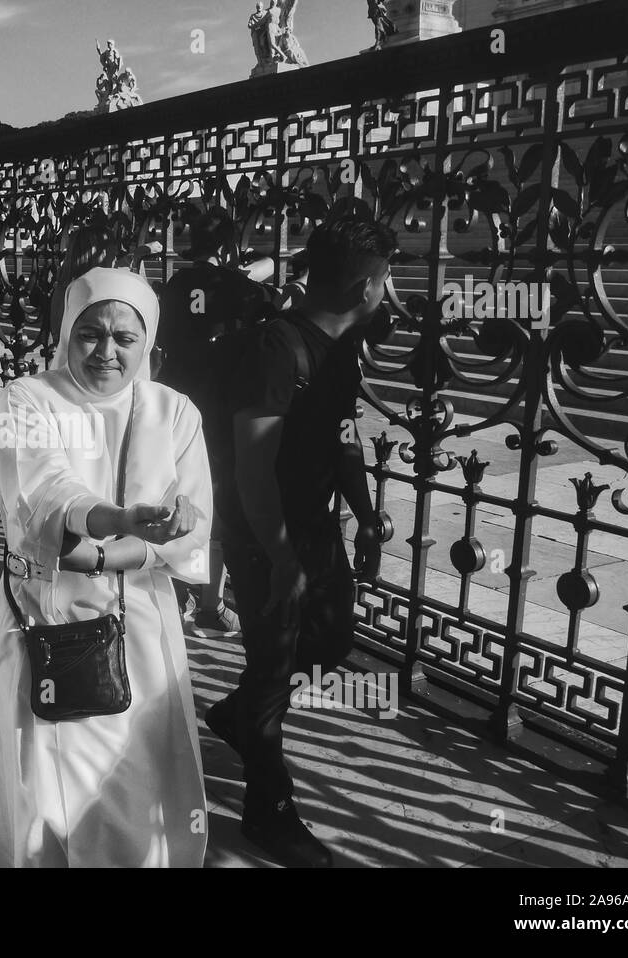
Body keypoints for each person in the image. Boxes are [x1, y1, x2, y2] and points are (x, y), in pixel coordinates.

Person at [0, 266, 212, 867]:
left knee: (133, 782)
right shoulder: (26, 399)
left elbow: (195, 525)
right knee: (40, 790)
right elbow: (44, 492)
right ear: (66, 332)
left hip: (140, 634)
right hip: (43, 626)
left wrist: (125, 546)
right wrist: (119, 521)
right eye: (89, 334)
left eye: (125, 338)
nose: (106, 352)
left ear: (147, 342)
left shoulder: (173, 411)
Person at [206, 216, 394, 867]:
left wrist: (366, 514)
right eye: (386, 280)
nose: (387, 293)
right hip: (263, 535)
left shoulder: (339, 347)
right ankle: (269, 812)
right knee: (272, 667)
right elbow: (251, 466)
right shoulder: (276, 348)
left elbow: (344, 434)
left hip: (313, 528)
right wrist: (281, 556)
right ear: (368, 285)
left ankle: (234, 719)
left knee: (333, 639)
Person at [156, 207, 274, 634]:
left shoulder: (174, 285)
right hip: (217, 407)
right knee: (217, 503)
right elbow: (269, 302)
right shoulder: (233, 285)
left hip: (174, 399)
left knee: (174, 492)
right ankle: (210, 600)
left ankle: (174, 589)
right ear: (226, 248)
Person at [48, 222, 116, 346]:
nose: (115, 255)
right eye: (111, 248)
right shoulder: (92, 292)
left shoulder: (65, 287)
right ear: (98, 253)